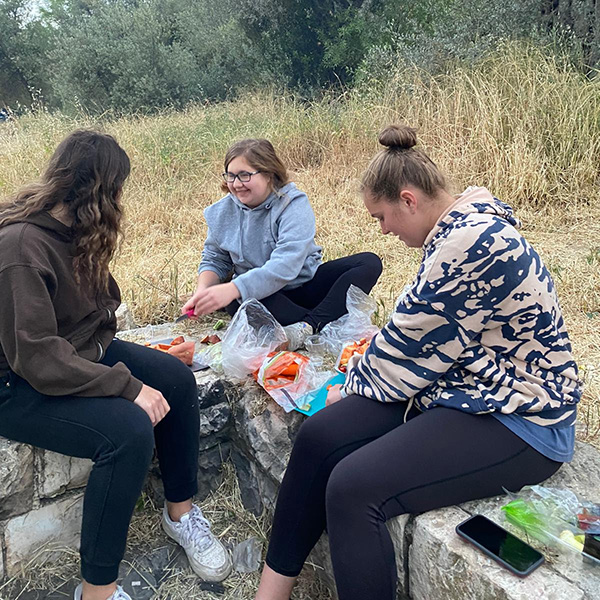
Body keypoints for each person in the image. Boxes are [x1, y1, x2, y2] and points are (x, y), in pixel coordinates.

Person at [254, 125, 581, 600]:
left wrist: (351, 381)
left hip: (524, 417)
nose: (383, 230)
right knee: (322, 434)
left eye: (381, 216)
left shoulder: (468, 245)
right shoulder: (460, 228)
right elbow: (418, 337)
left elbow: (405, 343)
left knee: (353, 487)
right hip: (466, 385)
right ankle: (272, 589)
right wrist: (358, 381)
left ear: (408, 200)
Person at [0, 130, 232, 600]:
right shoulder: (21, 248)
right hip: (18, 386)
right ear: (101, 191)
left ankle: (180, 514)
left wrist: (130, 365)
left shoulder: (75, 230)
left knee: (177, 380)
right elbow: (38, 357)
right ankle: (98, 591)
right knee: (127, 432)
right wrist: (125, 386)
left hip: (78, 355)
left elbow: (103, 305)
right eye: (118, 189)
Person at [182, 138, 382, 350]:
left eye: (245, 175)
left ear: (269, 174)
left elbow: (286, 264)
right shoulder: (221, 212)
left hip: (306, 286)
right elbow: (215, 259)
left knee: (369, 263)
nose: (236, 183)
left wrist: (233, 288)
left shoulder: (292, 204)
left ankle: (307, 326)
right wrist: (202, 291)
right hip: (267, 297)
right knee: (242, 303)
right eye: (231, 176)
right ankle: (326, 319)